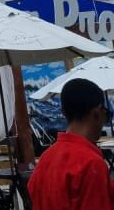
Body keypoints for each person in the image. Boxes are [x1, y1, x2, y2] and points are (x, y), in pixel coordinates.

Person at [28, 77, 114, 210]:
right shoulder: (91, 164)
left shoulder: (45, 159)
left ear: (63, 113)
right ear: (97, 113)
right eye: (106, 113)